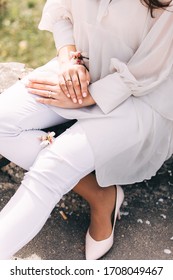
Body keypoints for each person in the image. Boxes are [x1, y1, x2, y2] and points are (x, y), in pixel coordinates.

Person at [0, 0, 173, 260]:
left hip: (140, 94)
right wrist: (68, 59)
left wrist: (90, 95)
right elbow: (62, 11)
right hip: (84, 69)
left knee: (53, 167)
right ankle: (100, 195)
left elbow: (154, 68)